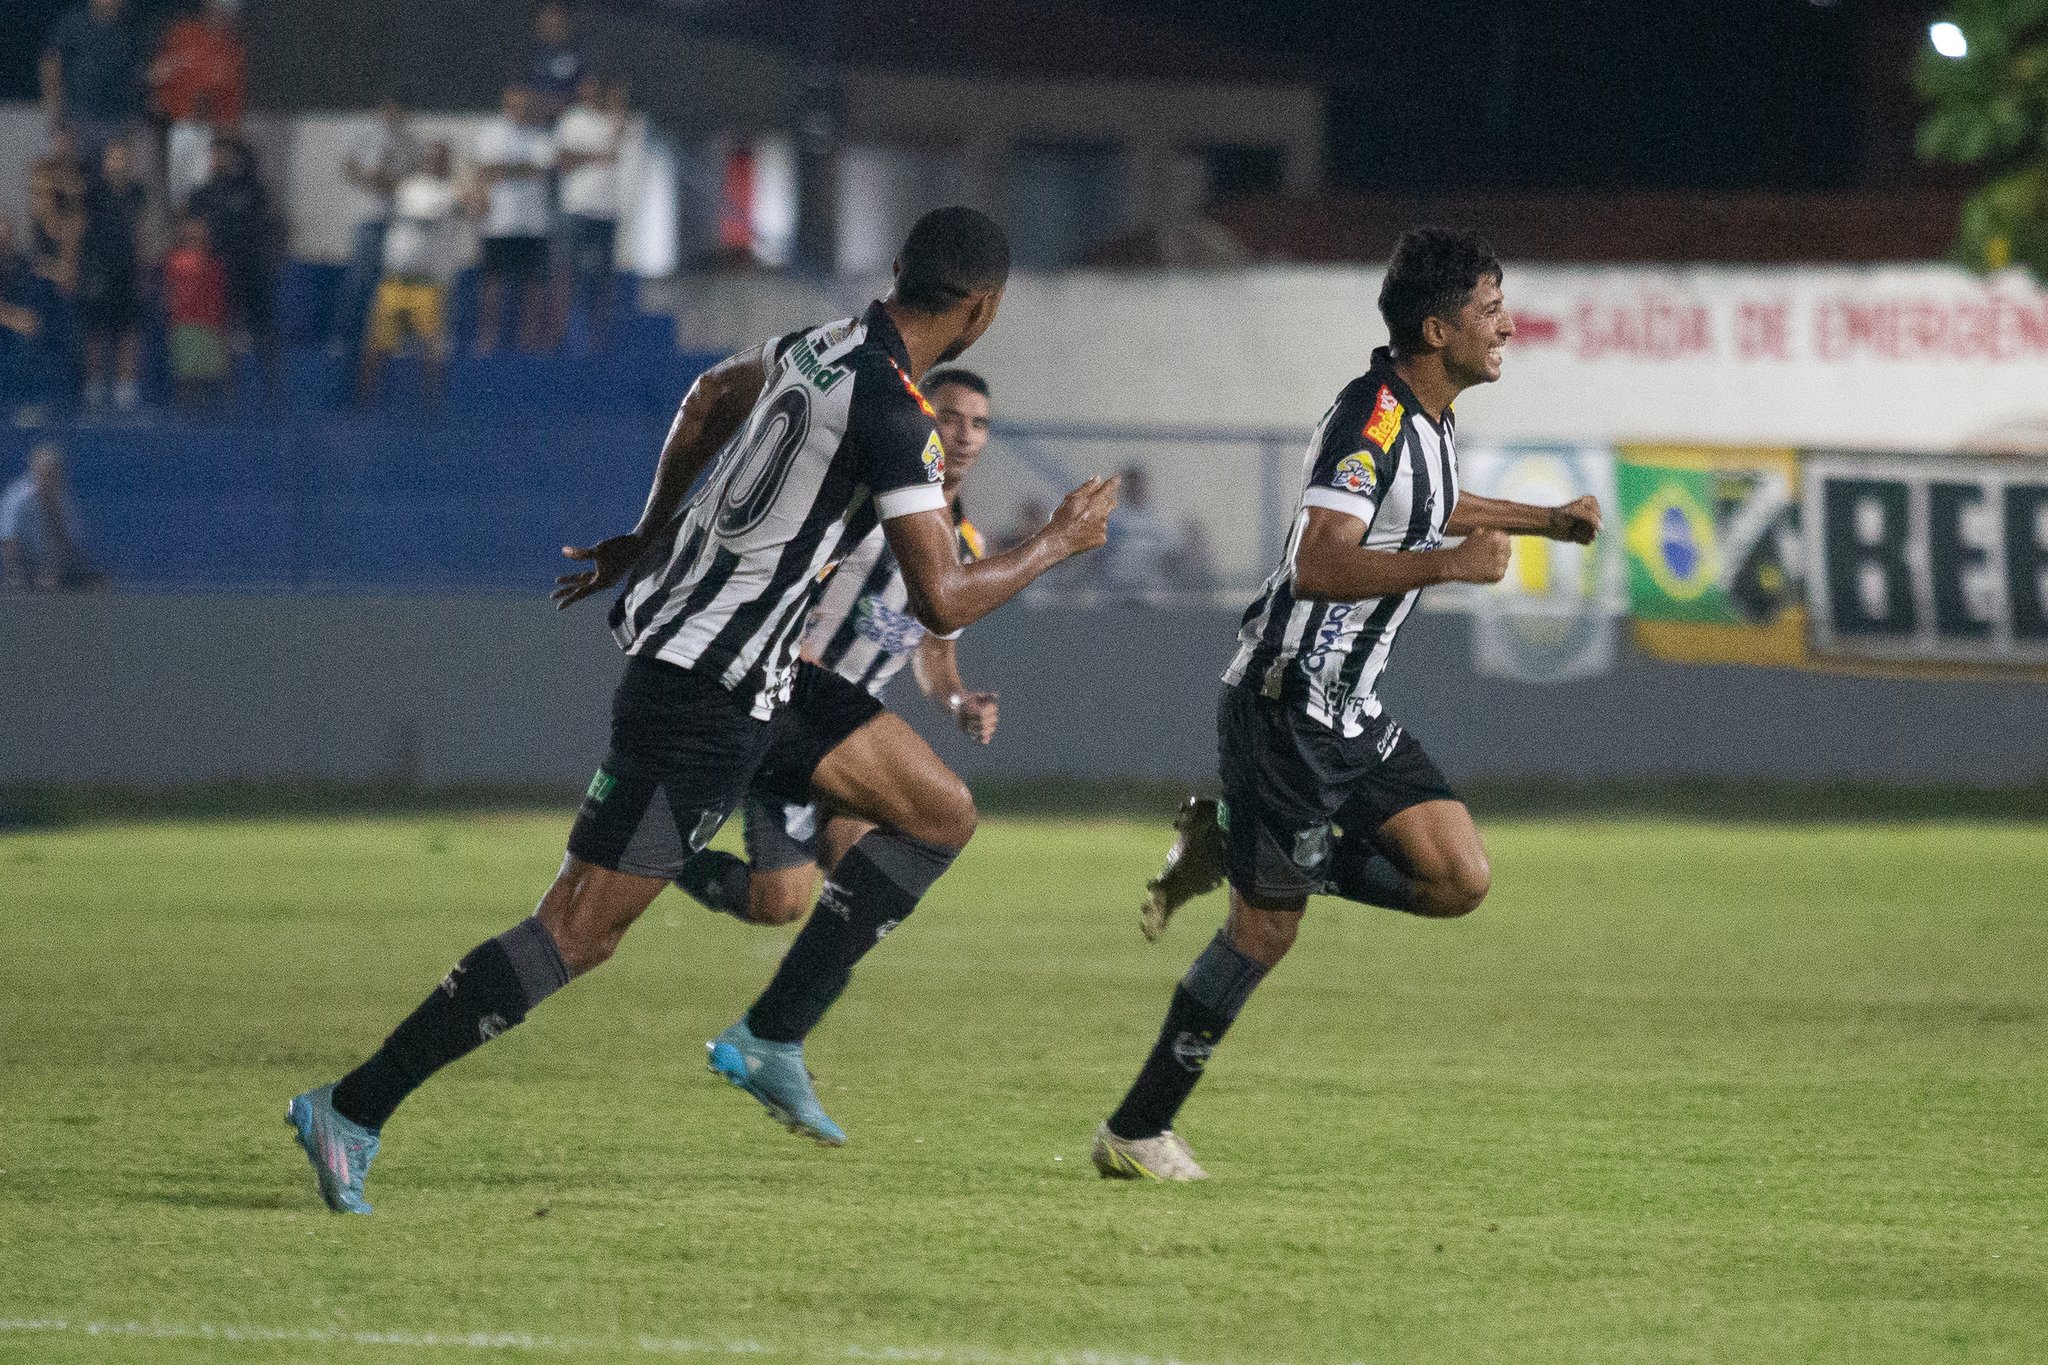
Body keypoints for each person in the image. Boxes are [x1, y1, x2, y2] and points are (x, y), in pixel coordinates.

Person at [285, 207, 1117, 1213]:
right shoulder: (897, 414)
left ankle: (771, 1035)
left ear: (896, 267)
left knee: (939, 812)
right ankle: (353, 1107)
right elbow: (940, 594)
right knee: (576, 933)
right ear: (982, 309)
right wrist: (1056, 545)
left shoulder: (818, 347)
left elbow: (707, 396)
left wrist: (647, 535)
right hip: (698, 696)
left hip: (761, 677)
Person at [1090, 227, 1603, 1182]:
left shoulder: (1428, 417)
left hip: (1351, 710)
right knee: (1263, 933)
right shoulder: (1373, 417)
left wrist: (1546, 522)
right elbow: (1321, 558)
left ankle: (1245, 838)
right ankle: (1135, 1127)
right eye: (1490, 312)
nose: (1507, 326)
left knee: (1459, 877)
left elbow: (1433, 501)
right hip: (1285, 705)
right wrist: (1451, 568)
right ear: (1436, 326)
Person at [671, 367, 1002, 931]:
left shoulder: (967, 547)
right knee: (783, 902)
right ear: (923, 419)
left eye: (979, 424)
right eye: (949, 417)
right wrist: (792, 643)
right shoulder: (864, 507)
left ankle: (790, 1009)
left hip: (852, 732)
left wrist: (956, 702)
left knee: (862, 877)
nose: (965, 436)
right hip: (792, 706)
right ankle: (660, 854)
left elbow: (934, 653)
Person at [357, 142, 465, 408]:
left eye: (438, 158)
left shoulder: (452, 193)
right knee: (376, 344)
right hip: (395, 280)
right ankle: (363, 407)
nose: (432, 163)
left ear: (446, 161)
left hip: (427, 285)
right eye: (429, 158)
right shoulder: (407, 188)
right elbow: (378, 184)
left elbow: (476, 208)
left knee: (433, 347)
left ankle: (431, 410)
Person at [189, 136, 280, 397]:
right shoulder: (204, 193)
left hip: (254, 268)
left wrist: (271, 260)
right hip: (219, 270)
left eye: (224, 154)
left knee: (264, 330)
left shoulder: (253, 190)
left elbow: (271, 225)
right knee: (222, 329)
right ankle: (224, 391)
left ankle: (271, 391)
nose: (219, 160)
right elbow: (192, 230)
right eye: (216, 155)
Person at [331, 101, 422, 358]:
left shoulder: (411, 141)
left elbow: (410, 178)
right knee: (360, 279)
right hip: (369, 215)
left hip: (399, 221)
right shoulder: (363, 131)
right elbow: (349, 169)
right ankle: (346, 337)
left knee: (396, 282)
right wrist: (372, 179)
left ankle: (392, 339)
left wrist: (389, 183)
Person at [473, 85, 557, 355]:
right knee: (493, 282)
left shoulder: (541, 136)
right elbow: (485, 168)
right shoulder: (491, 133)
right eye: (514, 105)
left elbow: (543, 170)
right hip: (500, 221)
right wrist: (521, 168)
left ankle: (528, 342)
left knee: (532, 284)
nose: (519, 111)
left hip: (533, 222)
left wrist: (505, 168)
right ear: (506, 105)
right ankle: (487, 341)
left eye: (524, 105)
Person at [552, 74, 627, 350]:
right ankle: (562, 337)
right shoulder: (572, 119)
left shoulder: (612, 120)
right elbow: (563, 159)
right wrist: (598, 157)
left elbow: (619, 149)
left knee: (602, 277)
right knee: (568, 271)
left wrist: (618, 107)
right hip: (578, 206)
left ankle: (598, 341)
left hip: (606, 209)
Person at [76, 138, 145, 412]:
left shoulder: (137, 193)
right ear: (105, 163)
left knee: (129, 331)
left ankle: (124, 388)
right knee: (95, 330)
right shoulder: (93, 192)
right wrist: (75, 268)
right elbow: (78, 228)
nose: (118, 164)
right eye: (113, 158)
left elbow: (139, 231)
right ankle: (94, 387)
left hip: (127, 270)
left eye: (123, 159)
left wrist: (141, 268)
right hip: (97, 270)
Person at [39, 0, 142, 157]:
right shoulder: (73, 24)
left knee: (115, 174)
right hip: (77, 118)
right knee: (72, 173)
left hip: (116, 121)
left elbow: (136, 73)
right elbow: (51, 63)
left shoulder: (130, 28)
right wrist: (54, 109)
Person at [1, 444, 100, 591]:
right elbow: (8, 540)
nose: (53, 477)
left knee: (97, 584)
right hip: (24, 569)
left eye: (56, 473)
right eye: (47, 473)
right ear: (35, 471)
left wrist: (58, 568)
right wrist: (14, 575)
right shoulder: (19, 498)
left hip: (54, 568)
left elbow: (68, 539)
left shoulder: (60, 497)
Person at [162, 215, 230, 416]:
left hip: (210, 324)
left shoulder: (214, 264)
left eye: (199, 238)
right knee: (186, 371)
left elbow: (219, 293)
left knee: (208, 370)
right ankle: (186, 411)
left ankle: (208, 411)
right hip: (184, 323)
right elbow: (170, 291)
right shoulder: (175, 261)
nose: (195, 242)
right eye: (190, 238)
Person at [1, 216, 65, 418]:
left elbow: (32, 319)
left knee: (27, 343)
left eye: (5, 236)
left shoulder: (25, 267)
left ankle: (29, 408)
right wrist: (10, 317)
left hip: (20, 337)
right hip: (8, 330)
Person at [147, 0, 245, 131]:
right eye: (216, 8)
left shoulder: (231, 50)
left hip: (208, 127)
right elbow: (155, 75)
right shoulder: (183, 33)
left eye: (226, 12)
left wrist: (228, 128)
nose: (220, 15)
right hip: (171, 121)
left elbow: (231, 98)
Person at [1095, 465, 1174, 603]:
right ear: (1124, 488)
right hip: (1115, 595)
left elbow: (1167, 558)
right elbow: (1098, 557)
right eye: (1131, 485)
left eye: (1138, 485)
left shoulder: (1158, 521)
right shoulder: (1111, 519)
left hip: (1148, 596)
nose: (1135, 489)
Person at [523, 1, 588, 122]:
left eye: (558, 23)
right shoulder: (528, 53)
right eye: (547, 22)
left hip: (571, 116)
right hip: (532, 115)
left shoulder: (582, 52)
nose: (553, 27)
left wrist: (560, 104)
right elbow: (517, 91)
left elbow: (587, 90)